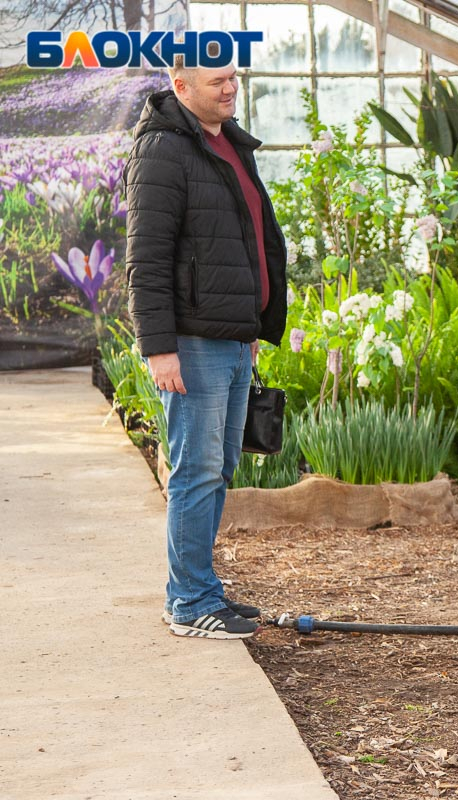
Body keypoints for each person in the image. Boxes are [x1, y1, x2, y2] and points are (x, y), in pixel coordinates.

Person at [124, 61, 287, 639]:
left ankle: (202, 589)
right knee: (196, 471)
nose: (229, 87)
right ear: (180, 86)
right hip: (191, 343)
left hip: (231, 338)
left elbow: (246, 245)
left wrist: (252, 329)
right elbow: (146, 257)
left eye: (234, 78)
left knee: (218, 468)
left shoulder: (230, 146)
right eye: (216, 80)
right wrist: (158, 348)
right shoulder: (164, 150)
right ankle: (189, 603)